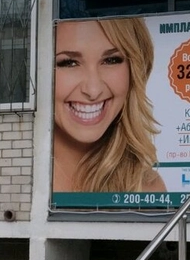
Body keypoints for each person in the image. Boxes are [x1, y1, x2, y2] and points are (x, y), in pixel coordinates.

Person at [52, 17, 166, 194]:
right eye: (69, 63)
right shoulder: (13, 176)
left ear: (134, 69)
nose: (93, 90)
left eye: (111, 60)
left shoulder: (145, 188)